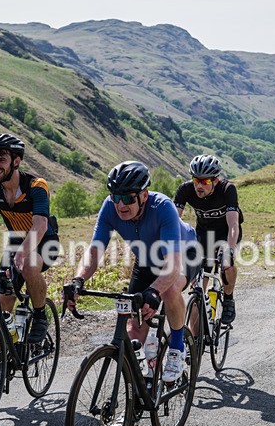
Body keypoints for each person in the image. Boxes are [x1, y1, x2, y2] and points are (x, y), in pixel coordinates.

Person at [65, 161, 200, 384]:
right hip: (147, 259)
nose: (120, 205)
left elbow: (173, 267)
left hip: (183, 253)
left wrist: (154, 291)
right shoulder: (110, 207)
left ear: (144, 195)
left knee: (169, 292)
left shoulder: (162, 207)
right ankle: (138, 390)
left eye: (127, 198)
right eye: (116, 197)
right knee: (133, 326)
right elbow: (95, 250)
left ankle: (177, 347)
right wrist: (78, 279)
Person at [0, 133, 61, 347]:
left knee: (29, 263)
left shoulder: (36, 185)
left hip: (45, 240)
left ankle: (40, 315)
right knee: (2, 304)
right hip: (17, 241)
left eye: (1, 160)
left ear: (16, 161)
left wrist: (23, 253)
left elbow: (40, 225)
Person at [174, 154, 242, 324]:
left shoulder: (227, 189)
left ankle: (228, 299)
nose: (199, 185)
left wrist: (230, 250)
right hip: (204, 235)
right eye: (196, 180)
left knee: (227, 264)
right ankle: (196, 343)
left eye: (205, 182)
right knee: (197, 288)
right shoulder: (185, 189)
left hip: (226, 232)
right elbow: (173, 221)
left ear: (216, 180)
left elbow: (233, 224)